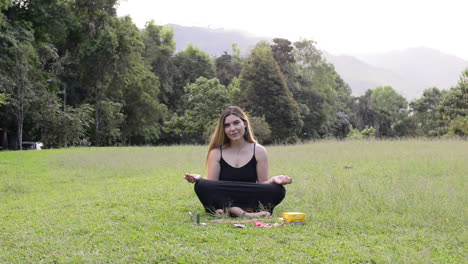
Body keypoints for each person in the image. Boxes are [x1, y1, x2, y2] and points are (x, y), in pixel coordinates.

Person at [184, 106, 292, 218]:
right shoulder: (216, 152)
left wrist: (272, 180)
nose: (232, 128)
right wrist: (200, 179)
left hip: (248, 193)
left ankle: (227, 209)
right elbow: (213, 185)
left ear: (244, 123)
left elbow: (261, 185)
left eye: (236, 123)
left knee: (277, 189)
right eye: (227, 125)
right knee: (201, 185)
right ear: (223, 129)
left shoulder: (259, 150)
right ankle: (246, 212)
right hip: (224, 193)